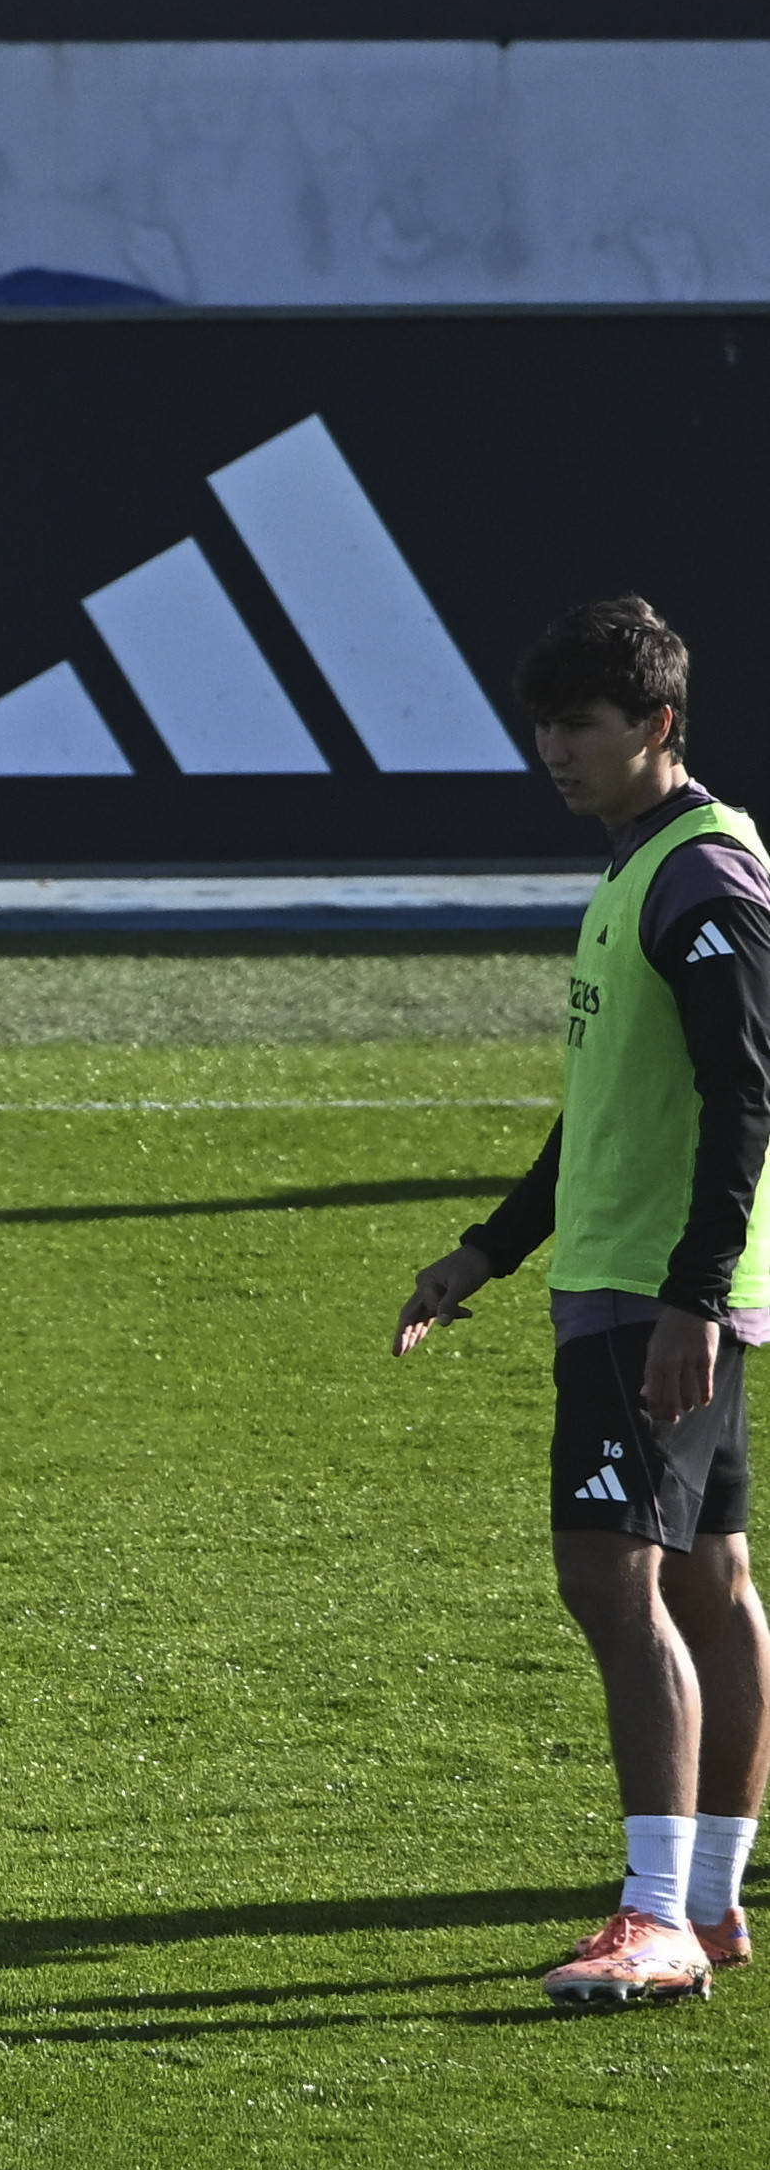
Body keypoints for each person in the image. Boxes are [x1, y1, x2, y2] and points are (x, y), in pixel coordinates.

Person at [390, 596, 768, 2012]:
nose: (552, 750)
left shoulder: (699, 881)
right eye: (541, 725)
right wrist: (485, 1250)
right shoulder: (643, 867)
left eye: (579, 726)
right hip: (639, 1284)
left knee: (609, 1581)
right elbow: (604, 1108)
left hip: (649, 1299)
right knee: (708, 1582)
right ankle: (708, 1902)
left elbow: (745, 1098)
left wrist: (688, 1297)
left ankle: (653, 1912)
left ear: (655, 725)